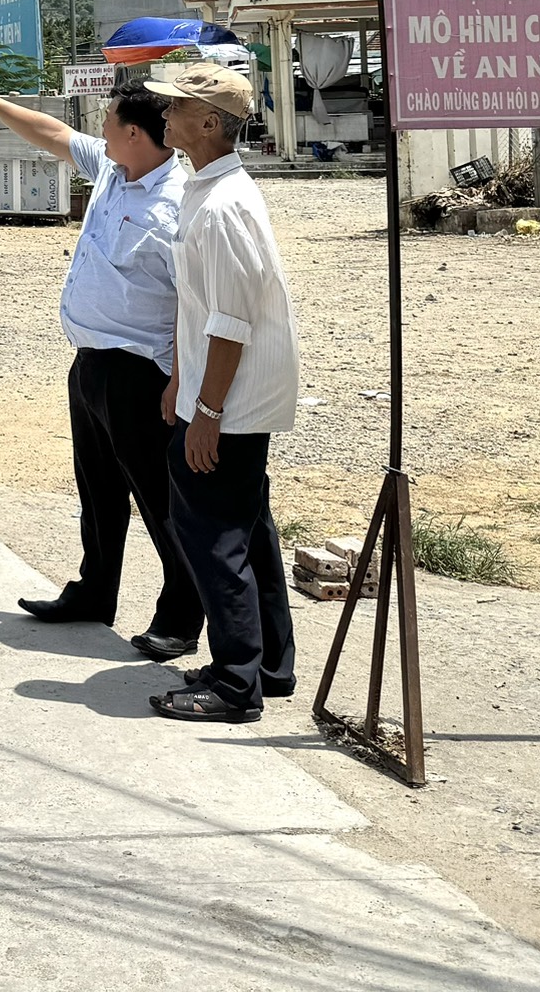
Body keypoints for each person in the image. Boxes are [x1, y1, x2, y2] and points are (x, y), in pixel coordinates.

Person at [0, 79, 200, 661]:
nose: (100, 128)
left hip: (142, 373)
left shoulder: (176, 205)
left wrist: (180, 381)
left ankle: (182, 615)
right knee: (98, 491)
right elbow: (54, 134)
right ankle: (95, 591)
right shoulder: (114, 169)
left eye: (109, 120)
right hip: (91, 362)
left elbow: (193, 303)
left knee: (159, 499)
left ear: (134, 133)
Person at [143, 62, 301, 724]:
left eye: (176, 107)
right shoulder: (206, 189)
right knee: (246, 529)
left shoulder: (224, 205)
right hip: (217, 393)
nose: (165, 115)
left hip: (230, 403)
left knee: (213, 537)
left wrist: (205, 412)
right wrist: (182, 382)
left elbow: (231, 322)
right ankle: (268, 666)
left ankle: (236, 684)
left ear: (209, 123)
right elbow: (201, 306)